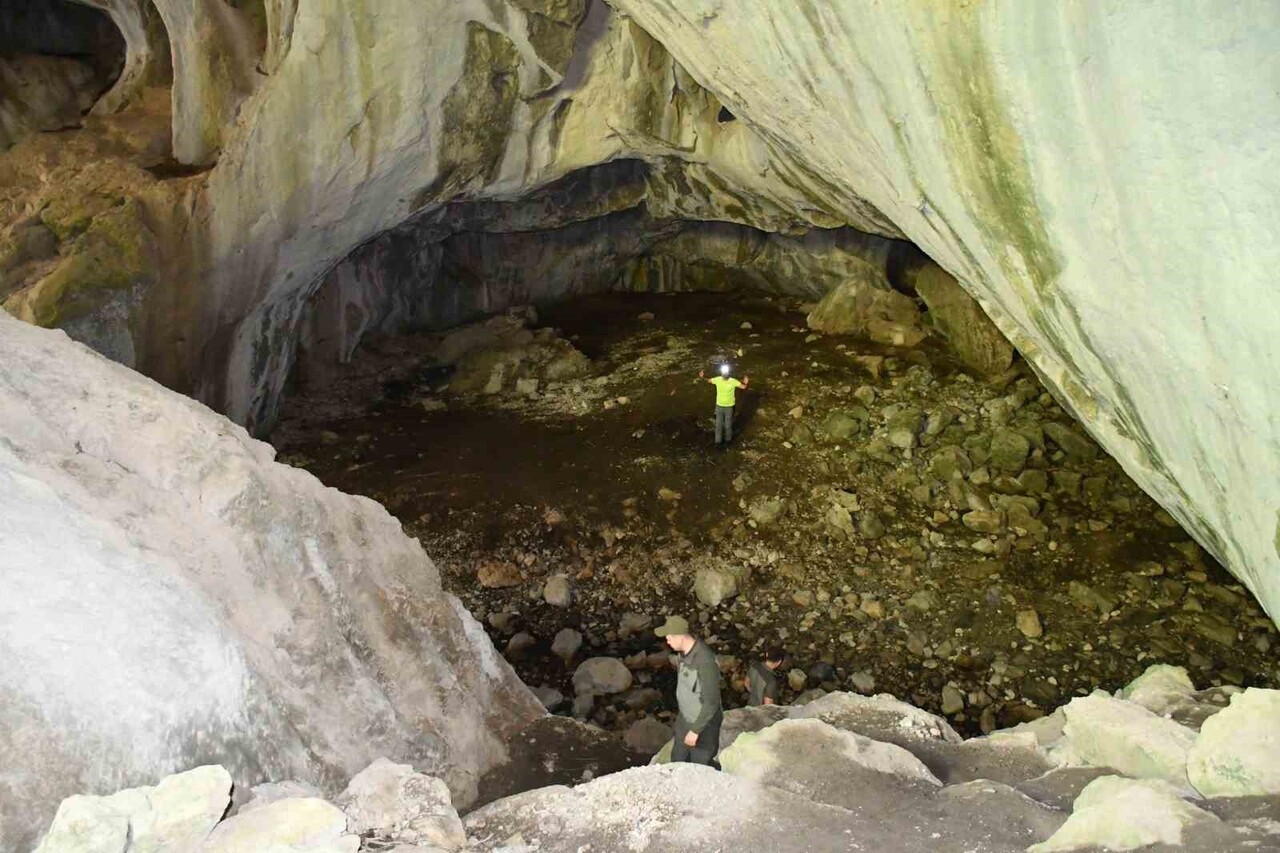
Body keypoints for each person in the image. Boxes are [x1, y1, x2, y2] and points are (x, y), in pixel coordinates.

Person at [655, 615, 723, 766]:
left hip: (704, 725)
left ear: (680, 636)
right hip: (685, 718)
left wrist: (695, 731)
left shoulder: (705, 662)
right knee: (677, 759)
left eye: (669, 637)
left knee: (699, 765)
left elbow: (711, 702)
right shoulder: (684, 653)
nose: (667, 640)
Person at [698, 363, 750, 447]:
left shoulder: (720, 380)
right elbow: (743, 387)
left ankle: (721, 443)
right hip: (725, 407)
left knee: (721, 425)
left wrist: (702, 377)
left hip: (723, 406)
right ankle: (724, 442)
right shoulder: (730, 381)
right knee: (725, 425)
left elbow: (708, 380)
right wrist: (745, 382)